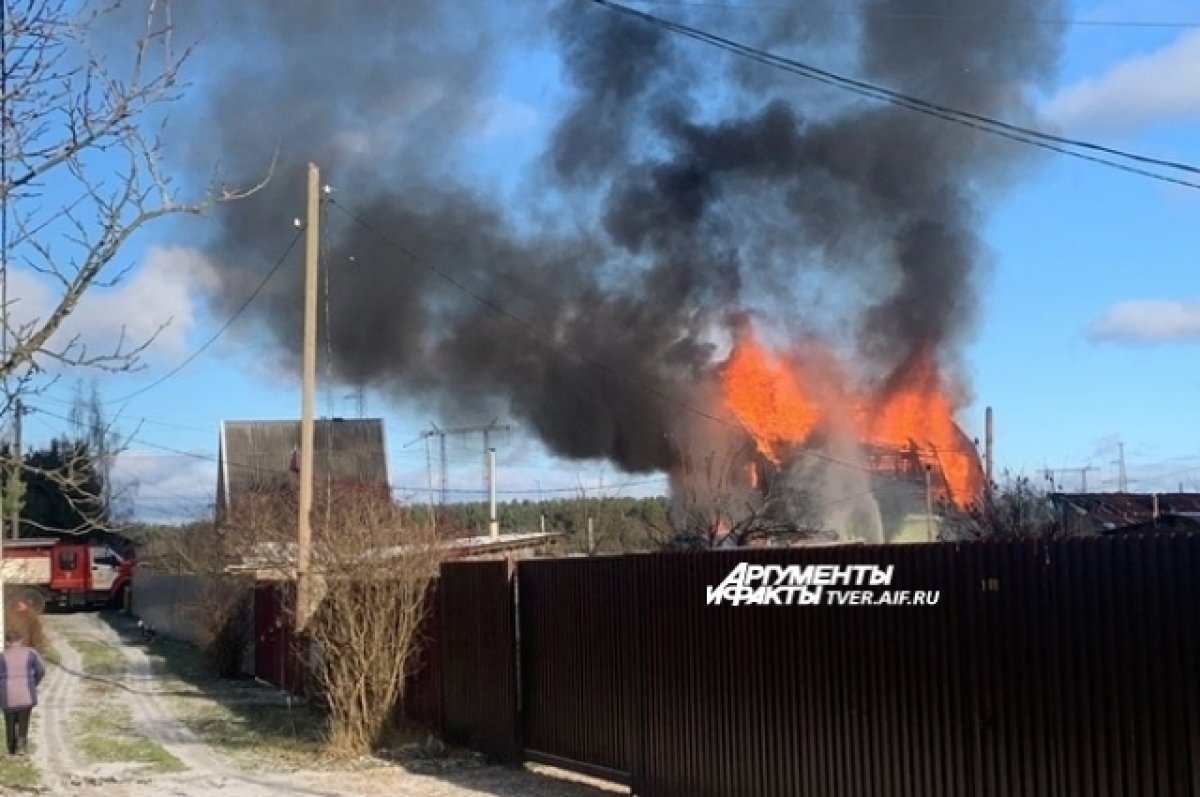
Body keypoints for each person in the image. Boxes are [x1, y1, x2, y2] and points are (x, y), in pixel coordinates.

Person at [0, 630, 46, 756]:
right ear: (20, 640)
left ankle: (11, 748)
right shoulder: (31, 653)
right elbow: (41, 670)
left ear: (7, 642)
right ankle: (22, 747)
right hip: (26, 695)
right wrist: (33, 683)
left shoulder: (2, 656)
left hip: (7, 697)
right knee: (23, 721)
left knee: (9, 722)